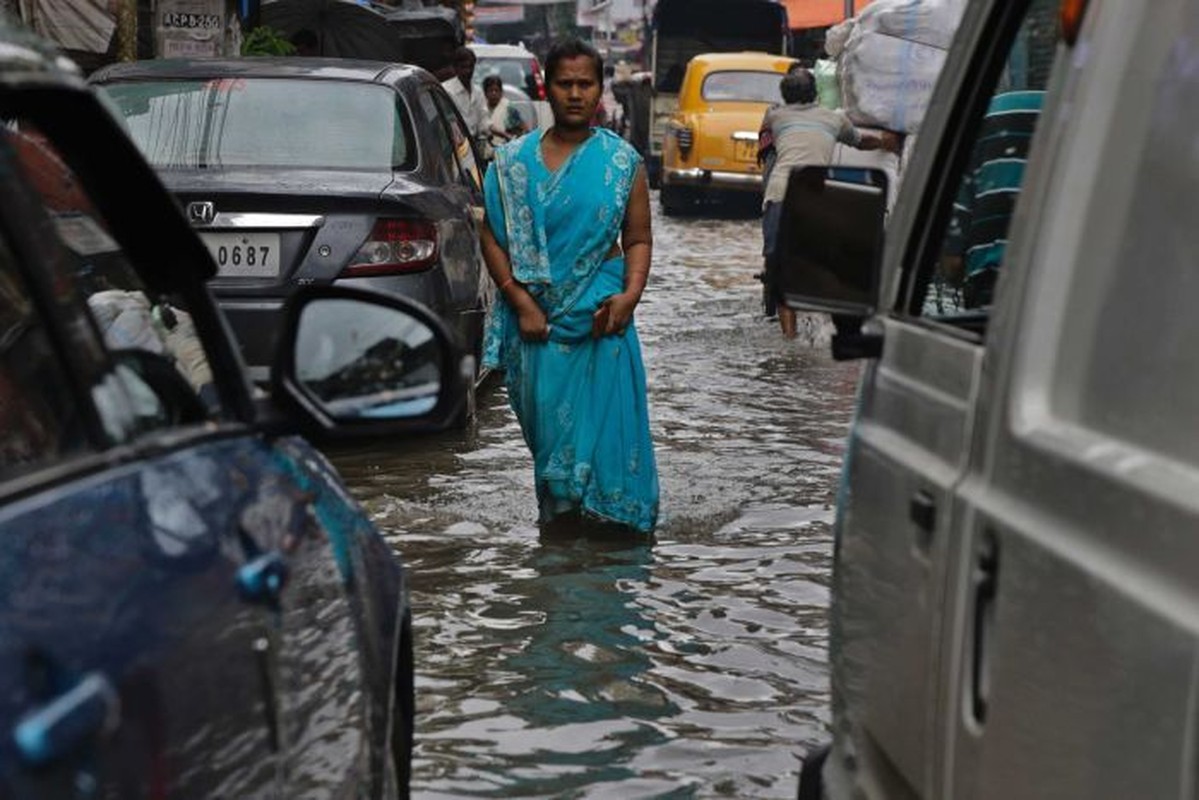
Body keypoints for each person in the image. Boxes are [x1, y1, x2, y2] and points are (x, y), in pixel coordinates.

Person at [478, 38, 659, 535]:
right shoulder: (512, 164)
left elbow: (638, 237)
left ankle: (611, 540)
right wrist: (520, 301)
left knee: (609, 440)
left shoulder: (623, 162)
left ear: (600, 89)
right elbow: (491, 235)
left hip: (604, 317)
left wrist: (630, 296)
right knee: (552, 449)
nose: (575, 94)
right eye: (565, 84)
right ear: (547, 88)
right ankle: (561, 547)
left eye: (586, 84)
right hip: (537, 323)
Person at [759, 69, 898, 337]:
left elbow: (767, 147)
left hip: (779, 194)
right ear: (816, 94)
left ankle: (789, 337)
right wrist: (887, 142)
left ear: (785, 95)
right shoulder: (835, 119)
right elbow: (862, 142)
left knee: (777, 265)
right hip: (814, 198)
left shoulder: (774, 116)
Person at [442, 45, 490, 141]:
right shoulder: (446, 90)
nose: (468, 71)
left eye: (470, 66)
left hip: (476, 145)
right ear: (455, 68)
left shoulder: (478, 92)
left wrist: (504, 135)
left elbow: (484, 123)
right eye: (463, 67)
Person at [482, 74, 527, 154]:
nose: (494, 93)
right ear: (485, 93)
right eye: (490, 91)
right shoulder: (481, 107)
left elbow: (522, 128)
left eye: (496, 90)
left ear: (501, 92)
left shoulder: (508, 108)